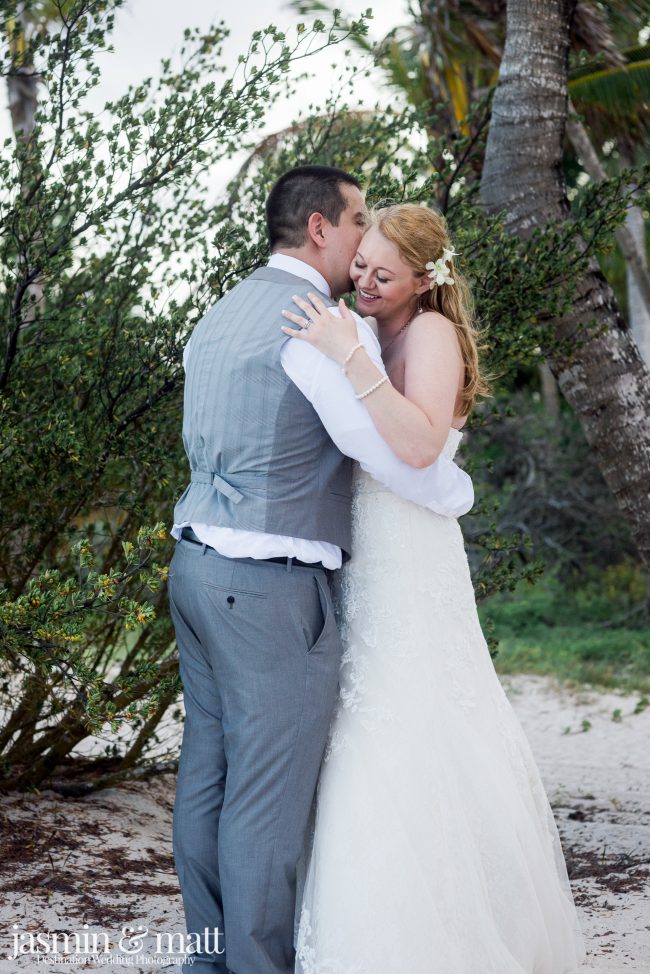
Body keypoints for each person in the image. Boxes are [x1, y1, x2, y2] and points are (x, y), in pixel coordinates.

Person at [167, 168, 474, 974]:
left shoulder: (222, 313)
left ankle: (205, 958)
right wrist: (453, 485)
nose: (365, 239)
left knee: (207, 772)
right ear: (319, 229)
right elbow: (389, 455)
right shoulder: (320, 325)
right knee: (265, 798)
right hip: (266, 585)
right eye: (358, 219)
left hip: (194, 565)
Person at [280, 203, 587, 974]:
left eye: (384, 275)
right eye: (362, 269)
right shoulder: (373, 324)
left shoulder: (429, 334)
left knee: (411, 715)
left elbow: (418, 448)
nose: (366, 282)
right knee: (364, 714)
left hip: (410, 552)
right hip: (364, 549)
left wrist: (349, 354)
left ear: (426, 279)